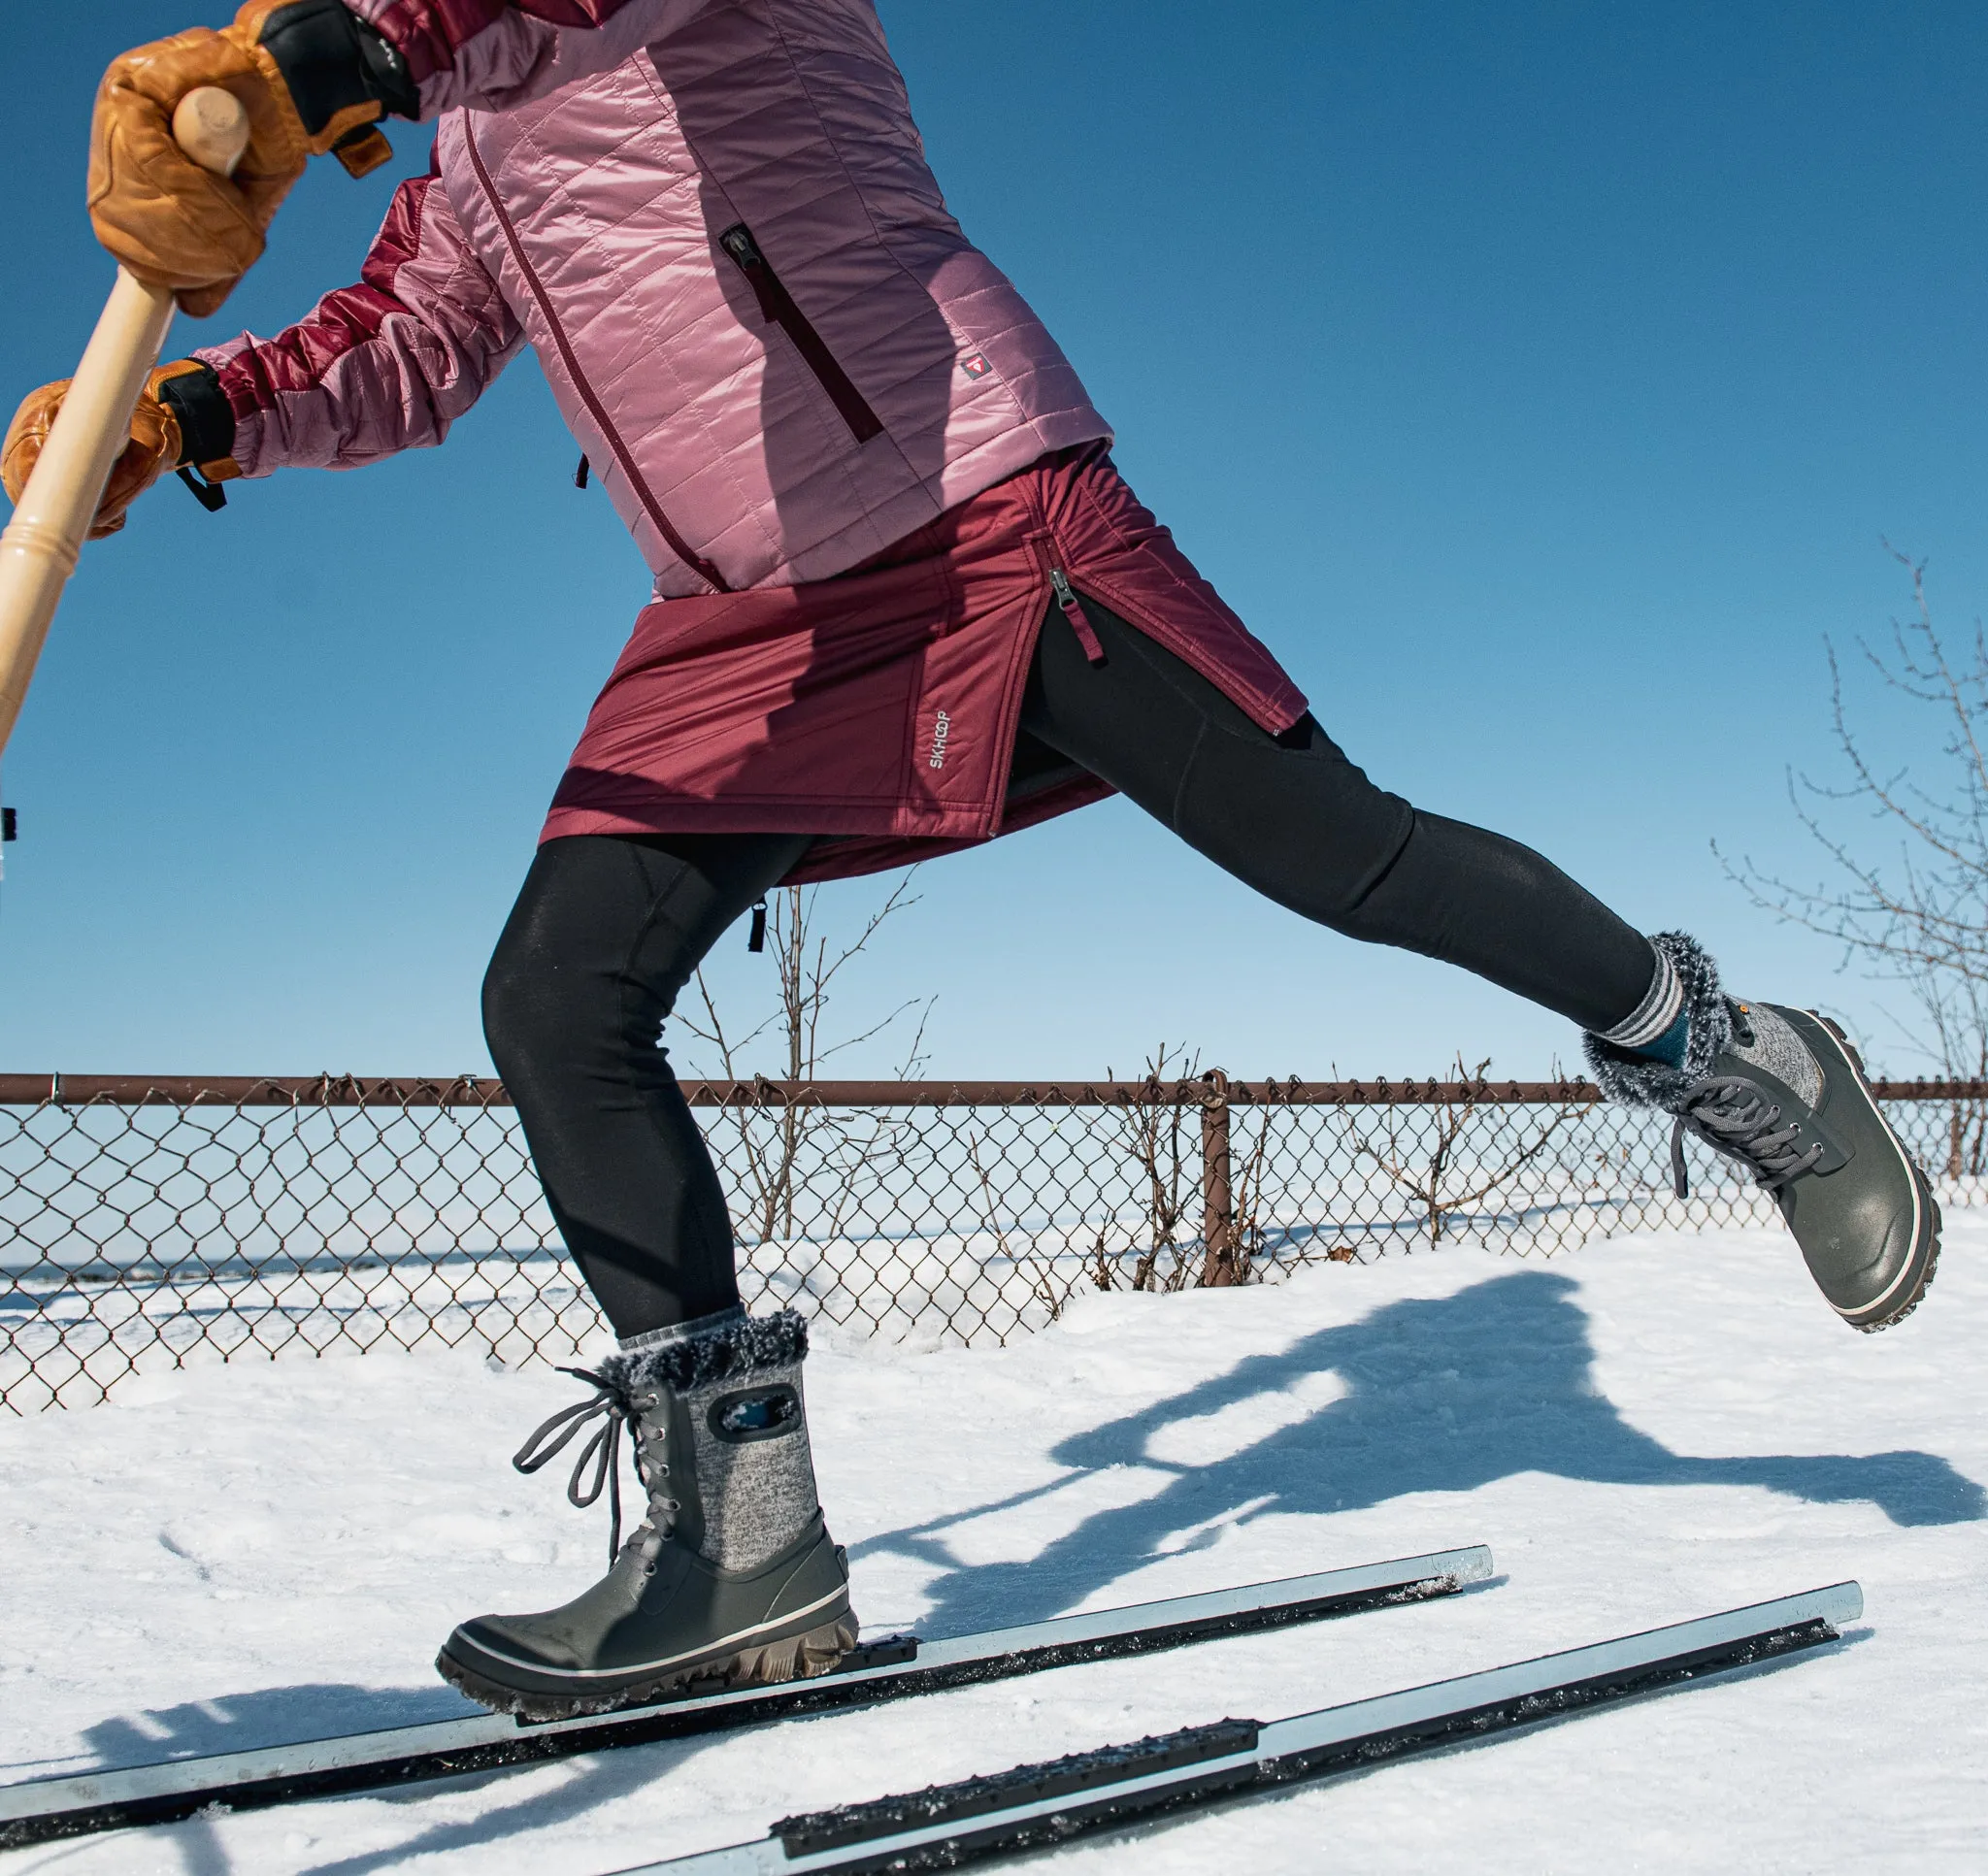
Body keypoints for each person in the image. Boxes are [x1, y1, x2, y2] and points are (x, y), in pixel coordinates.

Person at [4, 0, 1939, 1721]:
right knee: (557, 993)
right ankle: (742, 1541)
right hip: (745, 608)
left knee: (1331, 852)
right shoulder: (473, 127)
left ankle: (1719, 1049)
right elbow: (408, 343)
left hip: (961, 495)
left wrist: (334, 47)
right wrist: (188, 412)